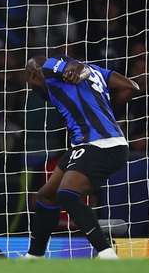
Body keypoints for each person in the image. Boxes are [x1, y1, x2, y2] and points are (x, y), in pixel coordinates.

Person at [24, 55, 139, 259]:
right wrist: (100, 107)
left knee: (67, 194)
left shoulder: (47, 68)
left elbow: (74, 67)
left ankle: (107, 254)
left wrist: (78, 69)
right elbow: (131, 86)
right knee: (46, 196)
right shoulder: (97, 71)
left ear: (34, 74)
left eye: (29, 77)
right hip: (90, 144)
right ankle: (34, 257)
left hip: (100, 144)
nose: (30, 84)